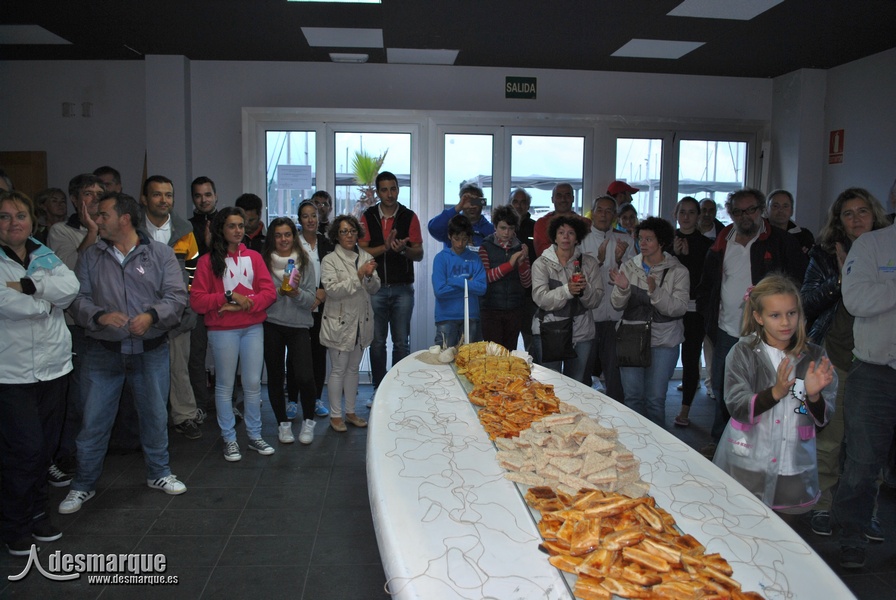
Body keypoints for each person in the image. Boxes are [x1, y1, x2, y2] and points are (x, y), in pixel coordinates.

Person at [60, 192, 189, 515]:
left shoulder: (159, 254)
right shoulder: (91, 256)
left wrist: (152, 316)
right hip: (103, 353)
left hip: (151, 351)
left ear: (125, 219)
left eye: (103, 215)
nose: (97, 221)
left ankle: (159, 473)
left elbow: (177, 297)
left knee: (155, 416)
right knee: (93, 421)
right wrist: (100, 316)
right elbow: (77, 299)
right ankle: (83, 484)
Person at [800, 187, 890, 537]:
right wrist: (840, 279)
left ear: (875, 213)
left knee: (870, 446)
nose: (856, 219)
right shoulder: (824, 253)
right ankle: (822, 505)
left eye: (862, 211)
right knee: (829, 440)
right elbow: (807, 302)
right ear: (839, 221)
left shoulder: (886, 249)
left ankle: (866, 512)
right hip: (835, 357)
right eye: (847, 214)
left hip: (879, 362)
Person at [695, 188, 808, 457]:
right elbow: (706, 286)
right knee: (724, 388)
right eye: (738, 211)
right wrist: (709, 320)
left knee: (764, 387)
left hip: (767, 335)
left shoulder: (780, 242)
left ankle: (760, 445)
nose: (745, 216)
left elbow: (799, 282)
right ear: (730, 213)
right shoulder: (721, 243)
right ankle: (722, 441)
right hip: (726, 329)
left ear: (761, 210)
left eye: (751, 210)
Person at [713, 275, 835, 512]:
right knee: (742, 516)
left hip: (793, 464)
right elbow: (736, 404)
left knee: (786, 524)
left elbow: (823, 419)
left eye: (791, 313)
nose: (786, 322)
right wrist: (775, 393)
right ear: (759, 317)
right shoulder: (742, 353)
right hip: (750, 461)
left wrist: (813, 396)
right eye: (775, 315)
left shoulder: (815, 356)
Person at [0, 191, 79, 555]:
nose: (13, 223)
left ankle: (37, 514)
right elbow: (8, 304)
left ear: (32, 220)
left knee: (44, 449)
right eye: (4, 217)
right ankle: (14, 524)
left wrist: (32, 288)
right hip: (11, 374)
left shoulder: (43, 253)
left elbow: (71, 288)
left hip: (54, 369)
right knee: (24, 450)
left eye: (20, 215)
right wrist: (46, 301)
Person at [833, 217, 896, 569]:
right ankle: (852, 537)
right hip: (875, 372)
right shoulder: (872, 244)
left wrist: (885, 289)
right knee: (862, 462)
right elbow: (855, 299)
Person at [190, 207, 277, 462]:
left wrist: (244, 304)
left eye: (241, 225)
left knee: (252, 384)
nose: (238, 230)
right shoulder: (207, 262)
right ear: (221, 229)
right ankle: (229, 438)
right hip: (222, 331)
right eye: (232, 226)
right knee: (225, 385)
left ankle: (254, 435)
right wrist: (227, 297)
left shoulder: (254, 257)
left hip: (252, 328)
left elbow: (269, 293)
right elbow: (197, 301)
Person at [45, 174, 104, 485]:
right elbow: (69, 272)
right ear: (74, 199)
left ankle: (93, 451)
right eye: (88, 193)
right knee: (77, 395)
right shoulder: (61, 231)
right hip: (74, 324)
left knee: (98, 394)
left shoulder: (110, 227)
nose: (94, 199)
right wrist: (91, 232)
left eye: (98, 193)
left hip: (104, 321)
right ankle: (66, 453)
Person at [141, 175, 204, 440]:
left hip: (178, 312)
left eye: (168, 195)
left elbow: (193, 269)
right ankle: (151, 421)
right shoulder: (132, 230)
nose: (164, 200)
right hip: (142, 313)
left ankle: (184, 416)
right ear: (145, 199)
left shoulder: (184, 230)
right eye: (157, 194)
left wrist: (186, 302)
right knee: (147, 373)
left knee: (179, 367)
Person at [609, 217, 689, 426]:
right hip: (631, 338)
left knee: (655, 400)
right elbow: (616, 304)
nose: (642, 243)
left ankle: (656, 444)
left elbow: (679, 308)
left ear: (661, 242)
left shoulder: (678, 271)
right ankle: (634, 441)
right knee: (632, 398)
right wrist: (623, 289)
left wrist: (655, 292)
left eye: (649, 239)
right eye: (640, 238)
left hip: (664, 341)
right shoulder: (629, 266)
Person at [358, 171, 423, 406]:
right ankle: (378, 389)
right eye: (384, 189)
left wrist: (403, 249)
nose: (389, 194)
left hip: (402, 288)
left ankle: (398, 389)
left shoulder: (409, 216)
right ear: (378, 192)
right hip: (375, 288)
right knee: (377, 342)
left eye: (393, 188)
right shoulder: (368, 216)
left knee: (401, 342)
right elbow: (362, 251)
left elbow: (419, 253)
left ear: (398, 190)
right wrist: (385, 248)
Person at [262, 217, 319, 445]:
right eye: (278, 235)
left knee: (305, 376)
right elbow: (261, 297)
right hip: (271, 324)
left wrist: (296, 294)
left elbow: (311, 299)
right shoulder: (263, 263)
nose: (283, 239)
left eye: (287, 234)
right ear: (272, 238)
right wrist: (279, 292)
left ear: (294, 237)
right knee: (275, 376)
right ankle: (283, 425)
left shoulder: (305, 263)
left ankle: (308, 422)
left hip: (299, 325)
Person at [321, 215, 381, 432]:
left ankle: (351, 412)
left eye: (353, 231)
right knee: (338, 369)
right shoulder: (330, 260)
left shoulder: (366, 256)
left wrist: (369, 277)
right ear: (336, 235)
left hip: (361, 322)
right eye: (344, 231)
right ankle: (335, 415)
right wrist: (359, 275)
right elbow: (333, 290)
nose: (349, 235)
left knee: (353, 369)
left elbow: (375, 288)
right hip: (339, 323)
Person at [531, 215, 602, 382]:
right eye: (561, 232)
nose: (565, 237)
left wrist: (584, 289)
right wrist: (567, 290)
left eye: (571, 233)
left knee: (576, 384)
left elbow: (596, 301)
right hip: (548, 330)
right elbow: (541, 299)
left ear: (577, 238)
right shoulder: (541, 263)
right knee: (549, 384)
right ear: (554, 237)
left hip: (581, 333)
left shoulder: (589, 263)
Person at [579, 195, 634, 399]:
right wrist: (599, 261)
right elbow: (577, 276)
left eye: (609, 211)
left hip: (616, 316)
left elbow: (634, 277)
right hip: (588, 316)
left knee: (615, 373)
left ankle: (616, 411)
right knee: (583, 370)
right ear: (592, 213)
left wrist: (620, 260)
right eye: (599, 210)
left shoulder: (626, 240)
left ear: (615, 215)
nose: (604, 215)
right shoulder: (581, 240)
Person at [671, 197, 713, 427]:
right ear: (676, 214)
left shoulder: (707, 245)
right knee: (666, 356)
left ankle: (685, 408)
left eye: (691, 212)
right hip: (668, 306)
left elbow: (704, 279)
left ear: (698, 216)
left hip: (694, 308)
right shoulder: (667, 241)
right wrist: (675, 255)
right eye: (682, 212)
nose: (686, 217)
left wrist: (688, 257)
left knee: (690, 357)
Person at [298, 200, 333, 418]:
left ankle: (317, 398)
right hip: (299, 304)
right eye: (305, 216)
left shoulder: (327, 243)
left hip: (321, 305)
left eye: (313, 215)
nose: (310, 220)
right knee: (297, 356)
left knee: (319, 354)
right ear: (299, 220)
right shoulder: (293, 243)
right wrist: (308, 296)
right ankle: (293, 400)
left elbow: (332, 271)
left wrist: (321, 294)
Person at [478, 205, 531, 350]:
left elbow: (527, 283)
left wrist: (521, 264)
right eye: (503, 228)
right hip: (490, 309)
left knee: (510, 353)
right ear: (495, 226)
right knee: (493, 353)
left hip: (515, 308)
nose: (507, 233)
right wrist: (510, 264)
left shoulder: (521, 248)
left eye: (511, 228)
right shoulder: (485, 247)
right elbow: (485, 278)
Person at [188, 176, 219, 419]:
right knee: (196, 355)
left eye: (207, 195)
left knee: (225, 356)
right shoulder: (186, 228)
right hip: (197, 300)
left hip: (223, 299)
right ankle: (200, 402)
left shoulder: (228, 224)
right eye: (198, 196)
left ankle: (227, 402)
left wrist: (212, 246)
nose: (203, 200)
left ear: (215, 196)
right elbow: (187, 265)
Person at [433, 214, 487, 346]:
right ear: (449, 236)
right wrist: (469, 284)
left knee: (470, 357)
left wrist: (454, 281)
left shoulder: (475, 258)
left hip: (470, 316)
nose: (460, 244)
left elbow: (482, 288)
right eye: (456, 239)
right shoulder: (441, 258)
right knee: (444, 356)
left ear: (469, 238)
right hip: (446, 316)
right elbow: (439, 291)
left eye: (464, 239)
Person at [428, 182, 495, 249]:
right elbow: (433, 228)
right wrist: (458, 207)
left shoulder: (491, 230)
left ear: (482, 204)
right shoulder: (452, 226)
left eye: (476, 201)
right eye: (468, 202)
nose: (472, 207)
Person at [511, 188, 537, 353]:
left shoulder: (535, 227)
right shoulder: (505, 227)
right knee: (509, 342)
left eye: (523, 202)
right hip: (509, 293)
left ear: (528, 205)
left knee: (530, 339)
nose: (519, 206)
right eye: (515, 201)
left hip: (529, 293)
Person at [533, 183, 591, 257]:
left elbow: (589, 250)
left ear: (573, 198)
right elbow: (542, 252)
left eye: (567, 195)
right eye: (559, 196)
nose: (563, 199)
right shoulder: (542, 223)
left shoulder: (585, 223)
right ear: (552, 199)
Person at [766, 189, 814, 254]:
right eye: (775, 206)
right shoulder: (756, 234)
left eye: (785, 206)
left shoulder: (804, 236)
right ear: (766, 210)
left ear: (791, 211)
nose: (781, 210)